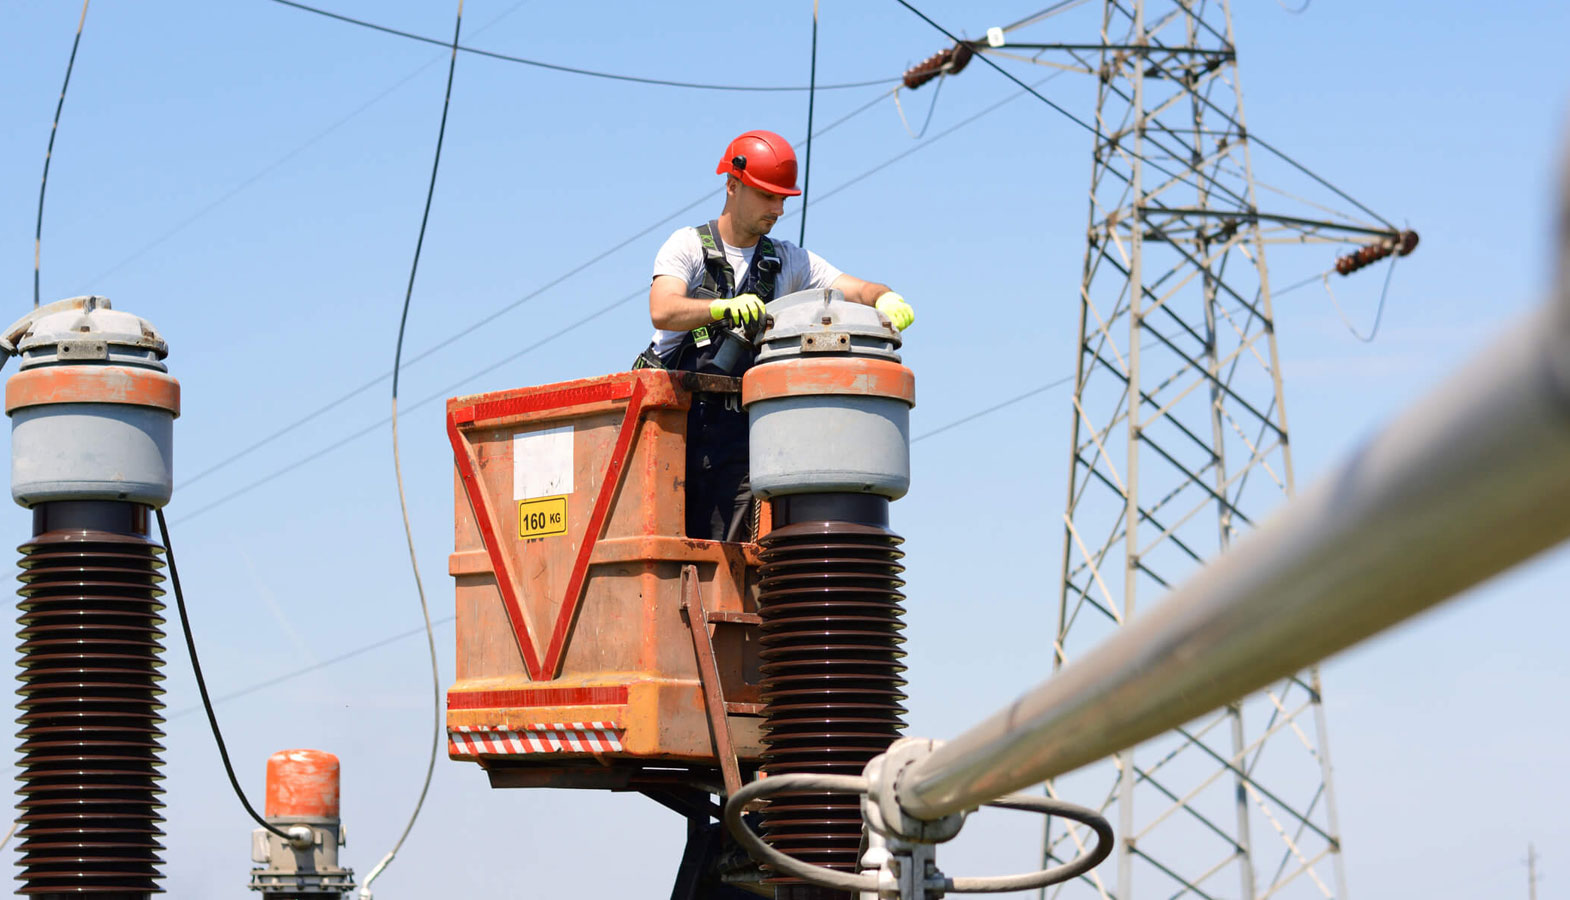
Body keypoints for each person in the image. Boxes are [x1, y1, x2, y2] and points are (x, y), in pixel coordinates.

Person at [632, 129, 915, 541]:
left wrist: (884, 297)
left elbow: (854, 287)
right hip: (674, 434)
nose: (778, 209)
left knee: (740, 560)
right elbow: (663, 308)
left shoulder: (784, 261)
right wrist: (717, 308)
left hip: (739, 443)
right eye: (768, 196)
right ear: (732, 185)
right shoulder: (688, 246)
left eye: (783, 198)